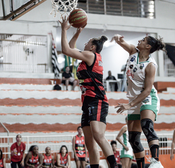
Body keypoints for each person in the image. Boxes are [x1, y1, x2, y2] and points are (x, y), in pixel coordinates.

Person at [59, 16, 117, 168]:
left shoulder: (91, 56)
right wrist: (77, 33)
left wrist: (64, 29)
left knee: (98, 135)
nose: (84, 44)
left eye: (87, 42)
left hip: (97, 100)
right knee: (90, 143)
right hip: (87, 102)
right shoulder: (87, 57)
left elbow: (66, 49)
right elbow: (71, 48)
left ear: (92, 47)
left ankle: (115, 165)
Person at [112, 34, 166, 168]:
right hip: (133, 100)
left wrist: (129, 105)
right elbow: (122, 42)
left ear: (148, 46)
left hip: (147, 97)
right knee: (133, 139)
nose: (138, 41)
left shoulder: (150, 65)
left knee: (146, 124)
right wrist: (118, 38)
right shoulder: (133, 52)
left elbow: (147, 90)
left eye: (142, 40)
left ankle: (155, 161)